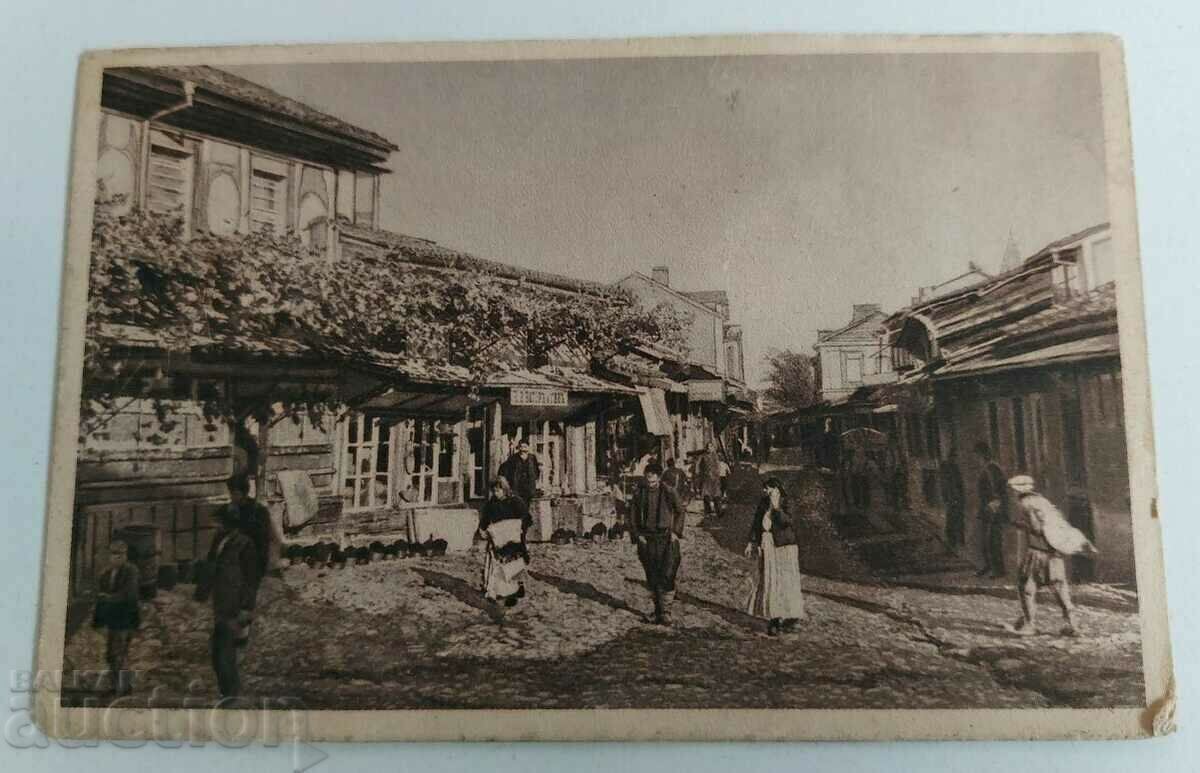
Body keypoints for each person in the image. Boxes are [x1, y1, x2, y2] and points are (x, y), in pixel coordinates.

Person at [1007, 475, 1097, 637]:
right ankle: (1072, 624)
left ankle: (1030, 624)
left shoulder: (1024, 504)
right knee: (1059, 587)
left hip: (1037, 550)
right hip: (1053, 551)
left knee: (1027, 587)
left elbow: (1036, 529)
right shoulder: (1042, 501)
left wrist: (1017, 524)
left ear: (1016, 490)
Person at [195, 503, 260, 700]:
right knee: (218, 651)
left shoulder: (245, 544)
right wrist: (202, 593)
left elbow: (251, 580)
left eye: (219, 522)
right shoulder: (219, 541)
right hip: (220, 603)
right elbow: (211, 566)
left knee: (225, 650)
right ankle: (227, 691)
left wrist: (246, 608)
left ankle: (230, 693)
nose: (216, 526)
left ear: (230, 523)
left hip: (235, 604)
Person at [627, 462, 686, 625]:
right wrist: (637, 535)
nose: (650, 483)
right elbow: (632, 515)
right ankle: (657, 611)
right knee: (652, 575)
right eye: (648, 479)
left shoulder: (668, 491)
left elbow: (680, 510)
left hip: (666, 538)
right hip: (647, 539)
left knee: (667, 573)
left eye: (653, 480)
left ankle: (666, 612)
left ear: (659, 478)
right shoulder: (640, 493)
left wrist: (675, 532)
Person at [744, 478, 805, 636]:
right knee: (771, 580)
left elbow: (787, 522)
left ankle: (791, 616)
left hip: (785, 547)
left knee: (785, 581)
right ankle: (774, 618)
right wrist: (752, 542)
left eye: (767, 488)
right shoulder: (763, 503)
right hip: (768, 546)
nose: (765, 491)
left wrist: (776, 507)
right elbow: (756, 523)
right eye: (765, 489)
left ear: (776, 489)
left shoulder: (786, 502)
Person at [93, 539, 141, 694]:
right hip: (112, 619)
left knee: (120, 652)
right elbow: (100, 600)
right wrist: (98, 621)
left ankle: (124, 687)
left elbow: (129, 594)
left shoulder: (131, 571)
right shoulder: (105, 574)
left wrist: (108, 597)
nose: (116, 557)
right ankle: (115, 686)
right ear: (109, 555)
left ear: (126, 555)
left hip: (126, 618)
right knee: (111, 654)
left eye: (120, 554)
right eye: (113, 554)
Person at [478, 476, 533, 607]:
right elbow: (485, 519)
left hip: (513, 541)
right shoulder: (492, 503)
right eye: (494, 491)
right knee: (495, 565)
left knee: (511, 566)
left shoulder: (515, 502)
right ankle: (494, 590)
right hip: (497, 540)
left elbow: (527, 519)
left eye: (498, 490)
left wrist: (517, 528)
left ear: (505, 489)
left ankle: (514, 590)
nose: (496, 493)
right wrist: (483, 529)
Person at [974, 442, 1009, 577]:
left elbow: (997, 492)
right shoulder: (988, 468)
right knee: (985, 540)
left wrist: (993, 507)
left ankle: (999, 570)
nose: (976, 459)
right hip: (986, 510)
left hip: (993, 510)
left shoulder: (992, 468)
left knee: (993, 541)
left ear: (983, 455)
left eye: (977, 456)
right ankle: (989, 566)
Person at [940, 448, 967, 554]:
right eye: (955, 457)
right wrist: (949, 498)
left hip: (957, 498)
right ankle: (952, 541)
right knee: (952, 519)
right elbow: (946, 485)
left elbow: (960, 485)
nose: (957, 459)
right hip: (952, 498)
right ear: (951, 457)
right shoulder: (947, 468)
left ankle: (959, 540)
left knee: (959, 519)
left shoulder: (955, 467)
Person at [498, 440, 541, 506]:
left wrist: (534, 480)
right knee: (518, 506)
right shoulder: (513, 458)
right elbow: (503, 469)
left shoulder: (532, 458)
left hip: (528, 487)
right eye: (521, 447)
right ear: (519, 448)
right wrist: (507, 483)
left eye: (525, 447)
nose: (523, 449)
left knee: (527, 506)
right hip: (517, 487)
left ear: (528, 447)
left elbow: (537, 471)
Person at [697, 444, 724, 518]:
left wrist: (718, 476)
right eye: (708, 447)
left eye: (710, 447)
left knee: (717, 496)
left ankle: (719, 511)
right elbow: (699, 467)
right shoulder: (703, 457)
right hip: (706, 478)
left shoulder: (715, 457)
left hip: (715, 479)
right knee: (706, 496)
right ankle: (708, 511)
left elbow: (718, 467)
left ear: (713, 448)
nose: (709, 448)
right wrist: (701, 476)